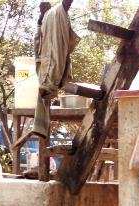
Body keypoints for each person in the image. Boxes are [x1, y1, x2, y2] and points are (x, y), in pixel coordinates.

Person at [34, 0, 79, 140]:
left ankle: (40, 128)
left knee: (45, 91)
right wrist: (41, 19)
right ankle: (40, 129)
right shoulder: (49, 18)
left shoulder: (57, 14)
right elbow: (38, 42)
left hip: (50, 70)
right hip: (48, 69)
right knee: (45, 91)